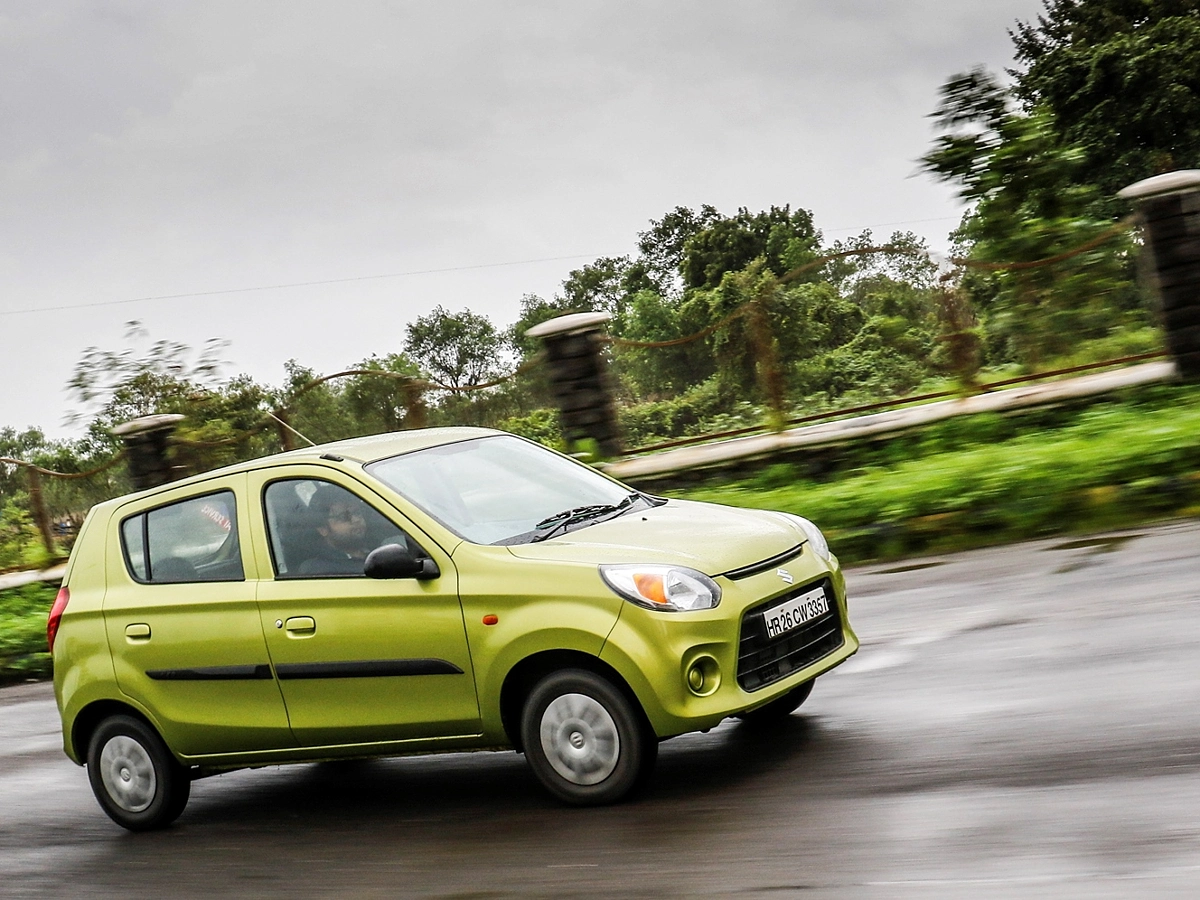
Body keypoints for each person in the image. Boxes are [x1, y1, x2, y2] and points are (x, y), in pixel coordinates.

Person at [297, 484, 380, 576]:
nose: (356, 519)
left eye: (357, 512)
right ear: (323, 529)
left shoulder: (381, 550)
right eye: (344, 516)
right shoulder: (320, 570)